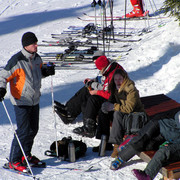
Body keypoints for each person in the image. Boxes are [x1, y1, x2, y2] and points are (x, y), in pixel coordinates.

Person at [0, 32, 55, 173]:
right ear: (26, 45)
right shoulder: (17, 60)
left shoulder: (37, 58)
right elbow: (3, 76)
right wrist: (1, 88)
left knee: (33, 129)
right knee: (23, 131)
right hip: (21, 101)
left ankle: (25, 156)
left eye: (36, 43)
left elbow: (38, 73)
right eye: (33, 44)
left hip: (34, 100)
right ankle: (14, 160)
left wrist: (46, 71)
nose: (36, 45)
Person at [54, 51, 124, 138]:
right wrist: (92, 82)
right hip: (113, 95)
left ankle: (89, 128)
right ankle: (69, 111)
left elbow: (109, 93)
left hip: (117, 99)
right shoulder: (109, 67)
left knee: (93, 99)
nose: (99, 70)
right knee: (86, 90)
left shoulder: (114, 73)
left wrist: (95, 90)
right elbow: (103, 81)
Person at [110, 109, 180, 180]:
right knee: (141, 140)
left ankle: (132, 141)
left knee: (151, 146)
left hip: (170, 136)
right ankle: (121, 158)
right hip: (162, 125)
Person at [94, 69, 147, 157]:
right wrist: (107, 106)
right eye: (115, 79)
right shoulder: (115, 88)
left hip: (135, 115)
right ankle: (104, 141)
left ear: (125, 78)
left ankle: (116, 145)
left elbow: (129, 108)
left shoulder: (130, 89)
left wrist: (114, 107)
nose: (118, 82)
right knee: (103, 113)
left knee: (117, 114)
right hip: (123, 112)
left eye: (120, 79)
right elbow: (112, 101)